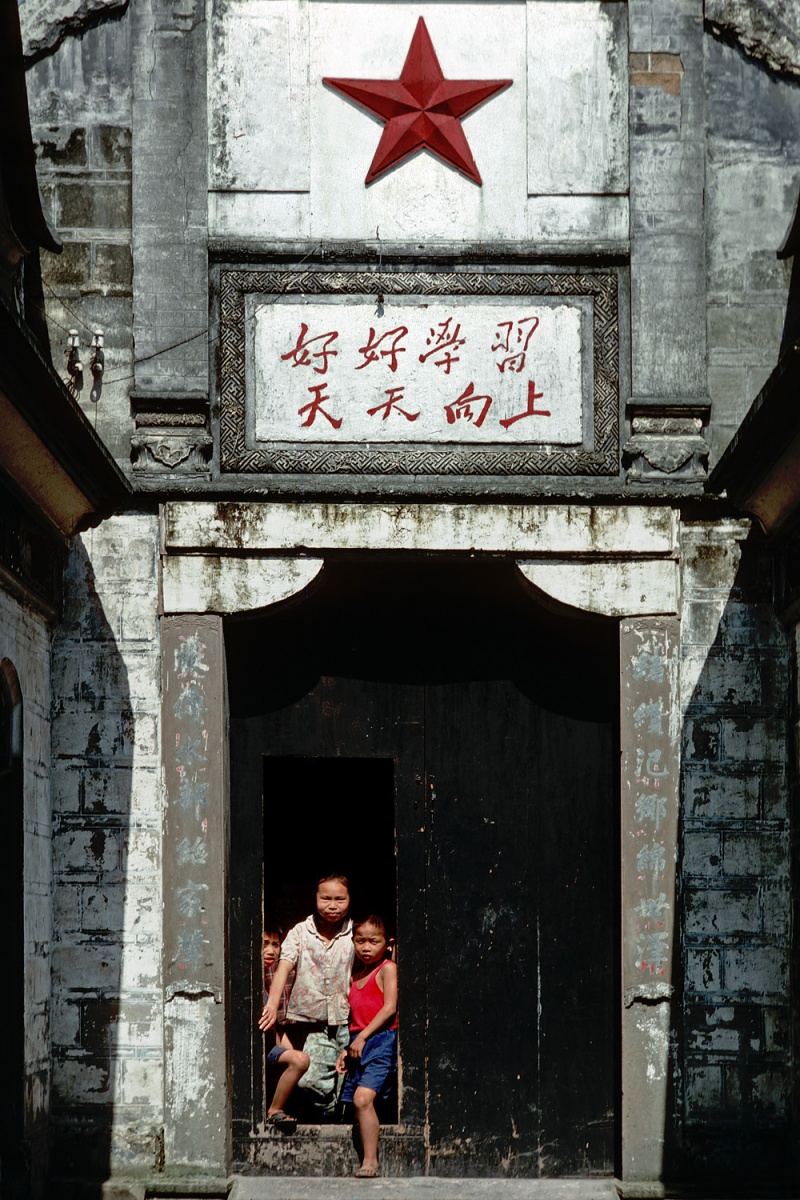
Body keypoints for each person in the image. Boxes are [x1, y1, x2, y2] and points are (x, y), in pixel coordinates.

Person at [259, 875, 354, 1118]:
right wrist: (271, 1003)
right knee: (310, 1082)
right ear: (315, 899)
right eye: (326, 898)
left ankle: (342, 1124)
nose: (332, 905)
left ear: (349, 900)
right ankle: (330, 1119)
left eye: (339, 899)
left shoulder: (354, 933)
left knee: (349, 1081)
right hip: (313, 1024)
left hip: (349, 1021)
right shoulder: (301, 932)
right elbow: (285, 966)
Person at [336, 914, 398, 1178]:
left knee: (363, 1099)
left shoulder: (387, 969)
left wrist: (362, 1038)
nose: (366, 947)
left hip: (380, 1040)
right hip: (359, 1042)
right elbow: (355, 1020)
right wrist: (348, 1049)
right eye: (360, 941)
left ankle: (370, 1161)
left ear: (388, 943)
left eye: (374, 941)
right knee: (355, 1103)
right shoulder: (356, 976)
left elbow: (389, 1008)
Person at [260, 929, 308, 1127]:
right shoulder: (248, 982)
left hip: (270, 1048)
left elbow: (276, 1031)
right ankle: (274, 1109)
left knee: (300, 1061)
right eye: (265, 944)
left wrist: (289, 1054)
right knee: (300, 1060)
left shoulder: (271, 983)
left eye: (275, 945)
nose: (271, 950)